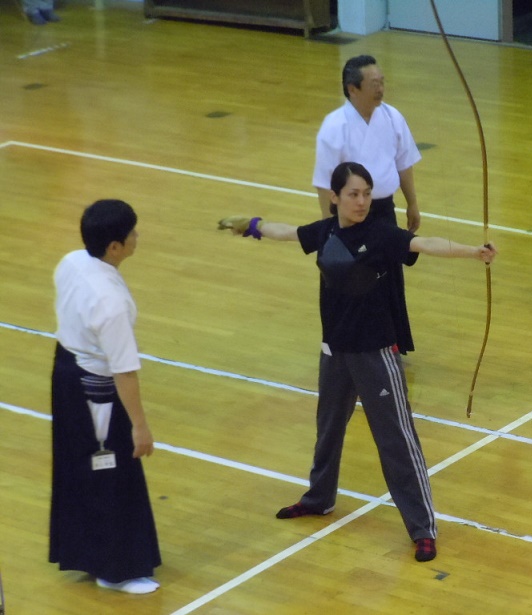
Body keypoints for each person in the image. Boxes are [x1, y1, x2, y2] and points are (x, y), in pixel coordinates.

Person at [218, 162, 497, 562]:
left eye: (366, 193)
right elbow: (288, 232)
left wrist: (473, 252)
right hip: (334, 351)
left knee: (397, 439)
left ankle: (423, 527)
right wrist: (252, 226)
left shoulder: (381, 234)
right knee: (328, 429)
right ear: (334, 198)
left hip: (376, 354)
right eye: (353, 194)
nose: (362, 201)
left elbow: (425, 243)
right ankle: (319, 499)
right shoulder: (325, 231)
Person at [50, 199, 161, 594]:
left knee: (79, 467)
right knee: (109, 473)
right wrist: (139, 427)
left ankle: (87, 553)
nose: (137, 237)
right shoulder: (109, 304)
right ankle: (114, 570)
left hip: (65, 372)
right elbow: (124, 370)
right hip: (95, 389)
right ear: (115, 246)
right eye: (132, 233)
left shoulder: (70, 261)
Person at [313, 54, 422, 353]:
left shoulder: (392, 117)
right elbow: (324, 182)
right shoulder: (334, 126)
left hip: (384, 211)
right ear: (353, 89)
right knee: (347, 278)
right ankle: (341, 343)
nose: (380, 89)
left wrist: (412, 203)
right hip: (348, 216)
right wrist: (330, 229)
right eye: (373, 83)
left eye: (382, 82)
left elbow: (404, 163)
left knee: (388, 278)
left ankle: (392, 343)